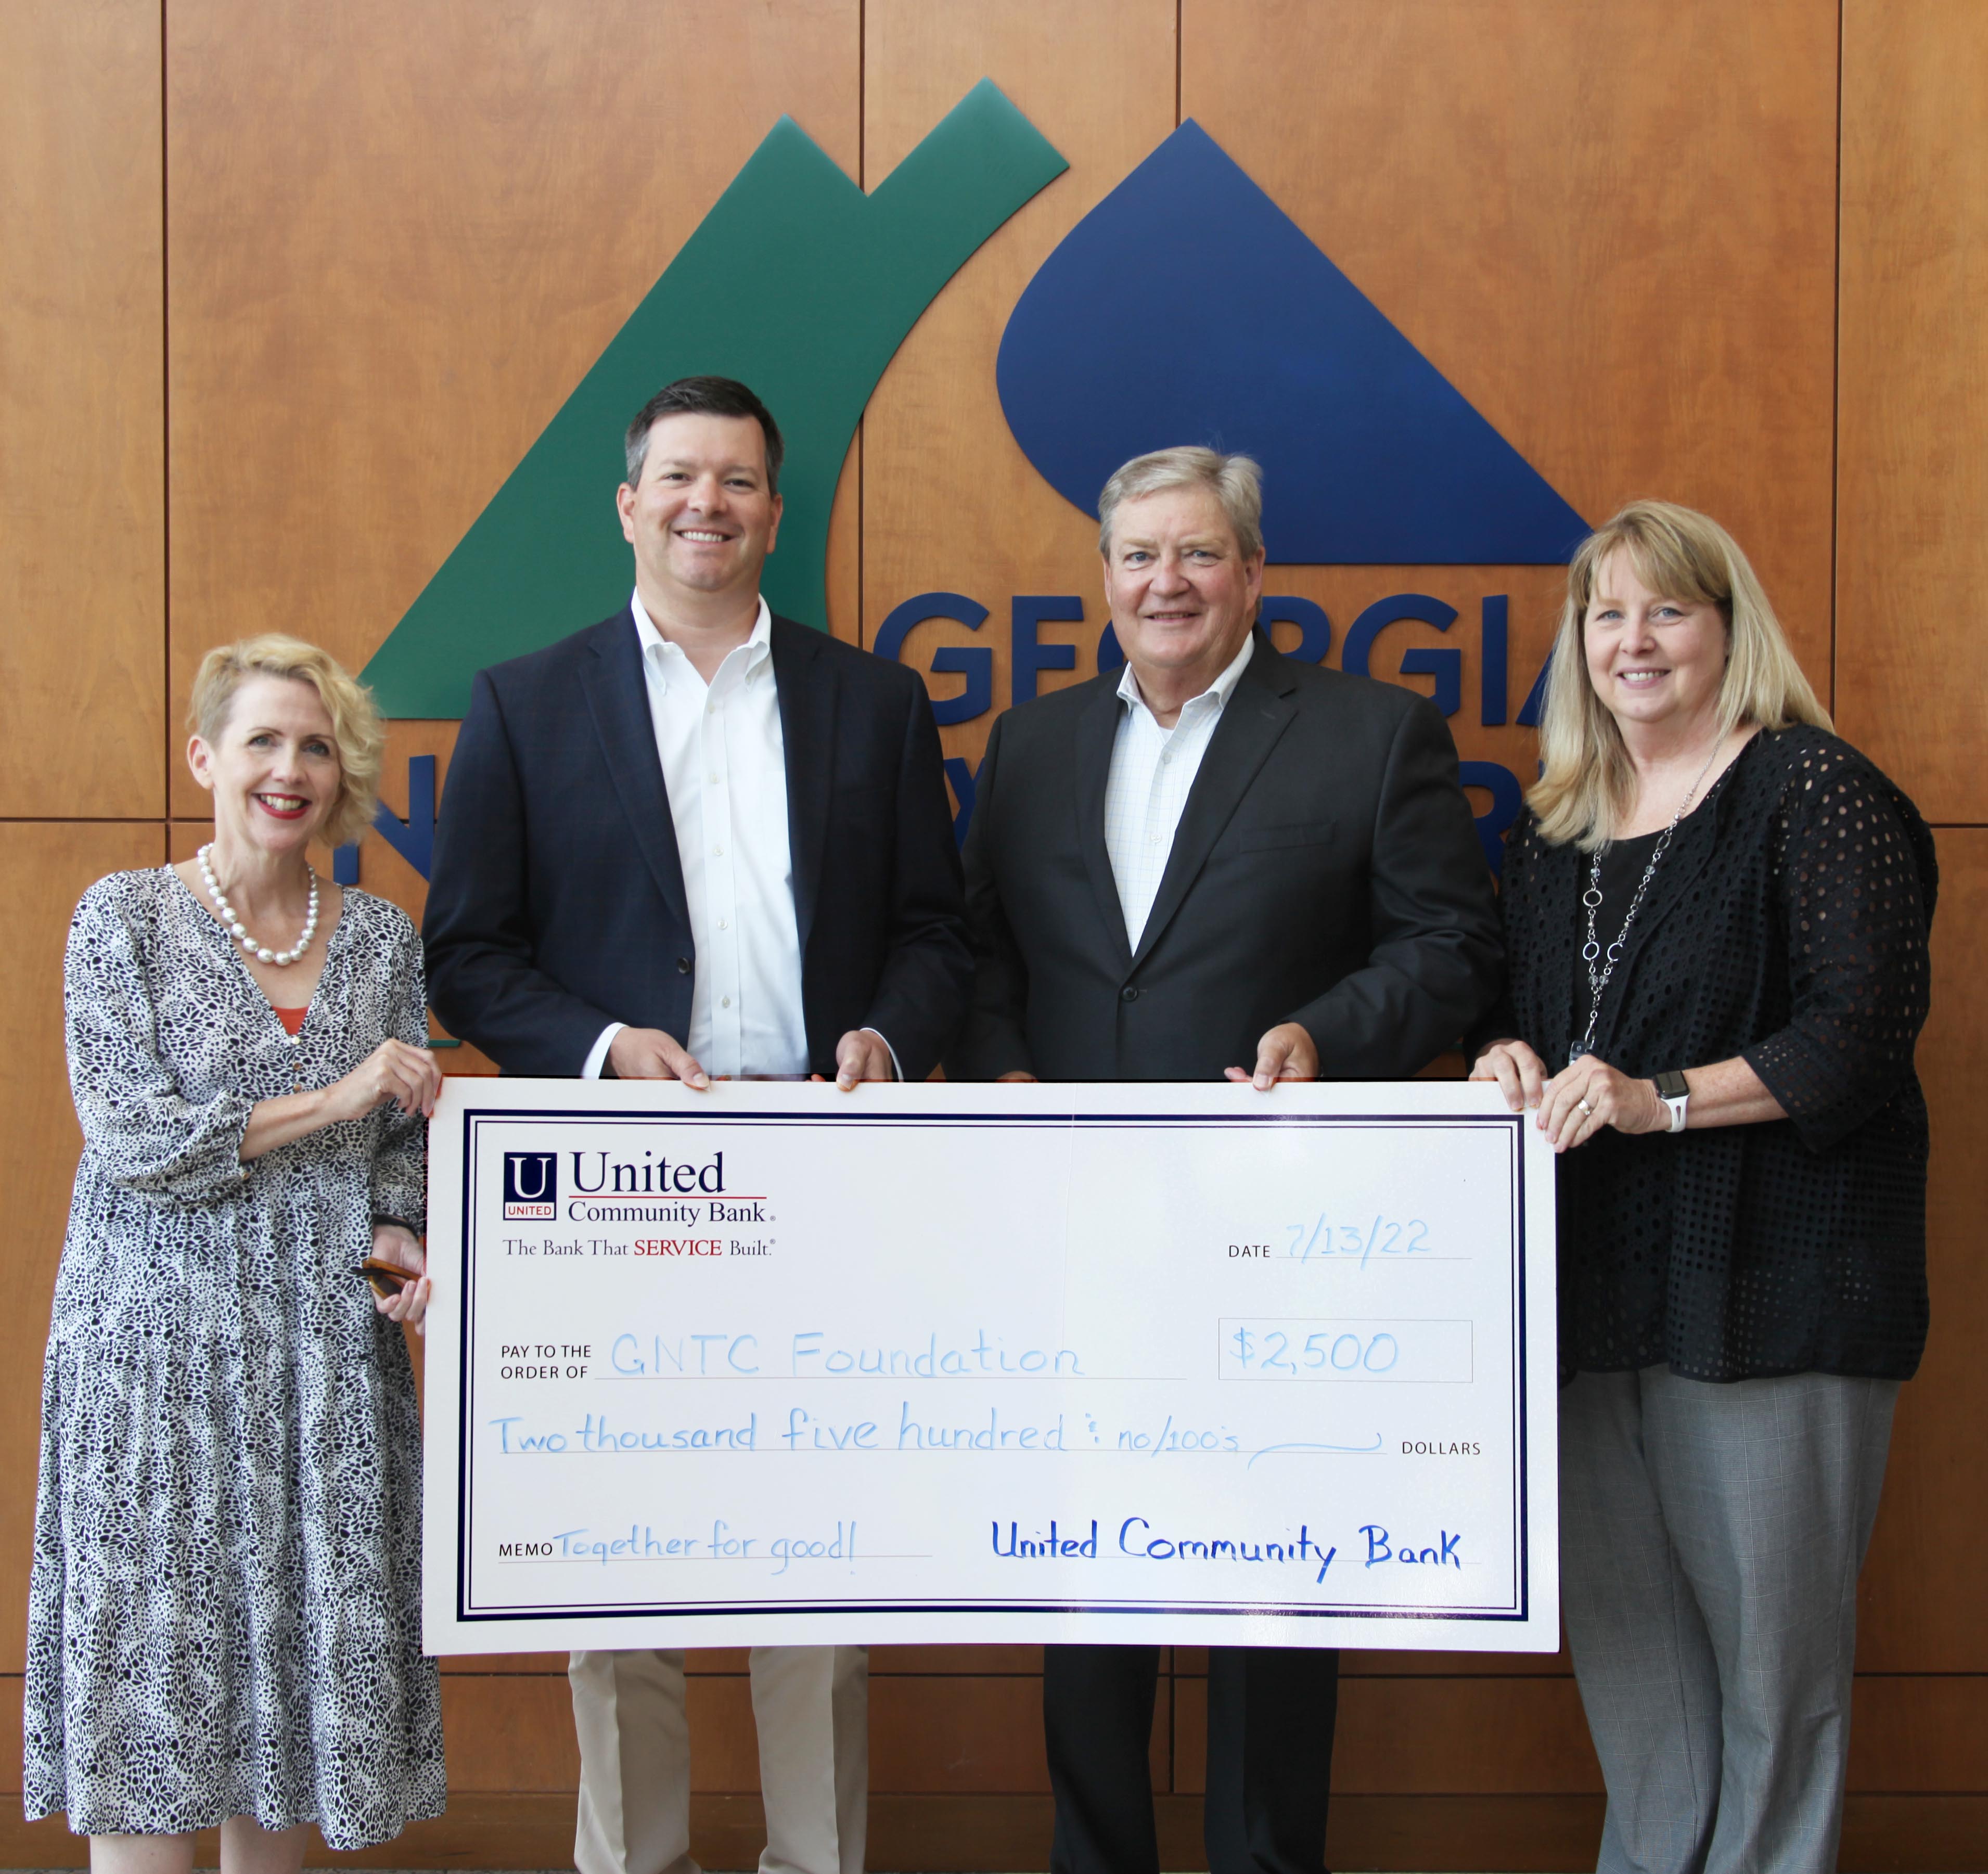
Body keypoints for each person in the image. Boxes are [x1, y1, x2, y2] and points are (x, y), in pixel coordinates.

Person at [422, 375, 971, 1874]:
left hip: (823, 1181)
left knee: (822, 1565)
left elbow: (938, 931)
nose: (704, 504)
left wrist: (885, 1035)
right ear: (627, 501)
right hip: (617, 1193)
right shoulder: (525, 703)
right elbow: (464, 953)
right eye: (677, 477)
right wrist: (601, 1051)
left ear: (773, 515)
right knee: (619, 1568)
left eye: (735, 481)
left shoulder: (874, 699)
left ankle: (817, 1859)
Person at [948, 445, 1503, 1874]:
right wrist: (1004, 1067)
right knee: (1086, 1585)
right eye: (1138, 556)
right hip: (1077, 1235)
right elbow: (980, 949)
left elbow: (1450, 950)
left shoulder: (1368, 731)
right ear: (1104, 579)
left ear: (1252, 574)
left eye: (1196, 555)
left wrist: (1321, 1032)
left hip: (1282, 1231)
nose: (1166, 582)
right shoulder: (1031, 743)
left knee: (1272, 1575)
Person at [1468, 499, 1935, 1874]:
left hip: (1773, 1294)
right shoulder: (1552, 828)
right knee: (1632, 1663)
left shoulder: (1809, 788)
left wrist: (1650, 1098)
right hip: (1592, 1294)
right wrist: (1500, 1051)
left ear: (1726, 631)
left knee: (1769, 1670)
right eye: (1604, 614)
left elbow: (1854, 1035)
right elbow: (1513, 1009)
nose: (1632, 640)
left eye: (1666, 610)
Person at [24, 636, 446, 1870]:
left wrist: (401, 1250)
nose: (291, 767)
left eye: (316, 745)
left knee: (293, 1750)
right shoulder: (124, 919)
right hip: (154, 1378)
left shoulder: (379, 940)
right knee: (156, 1719)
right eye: (263, 739)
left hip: (324, 1374)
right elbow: (134, 1138)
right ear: (206, 756)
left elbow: (395, 1164)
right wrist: (341, 1089)